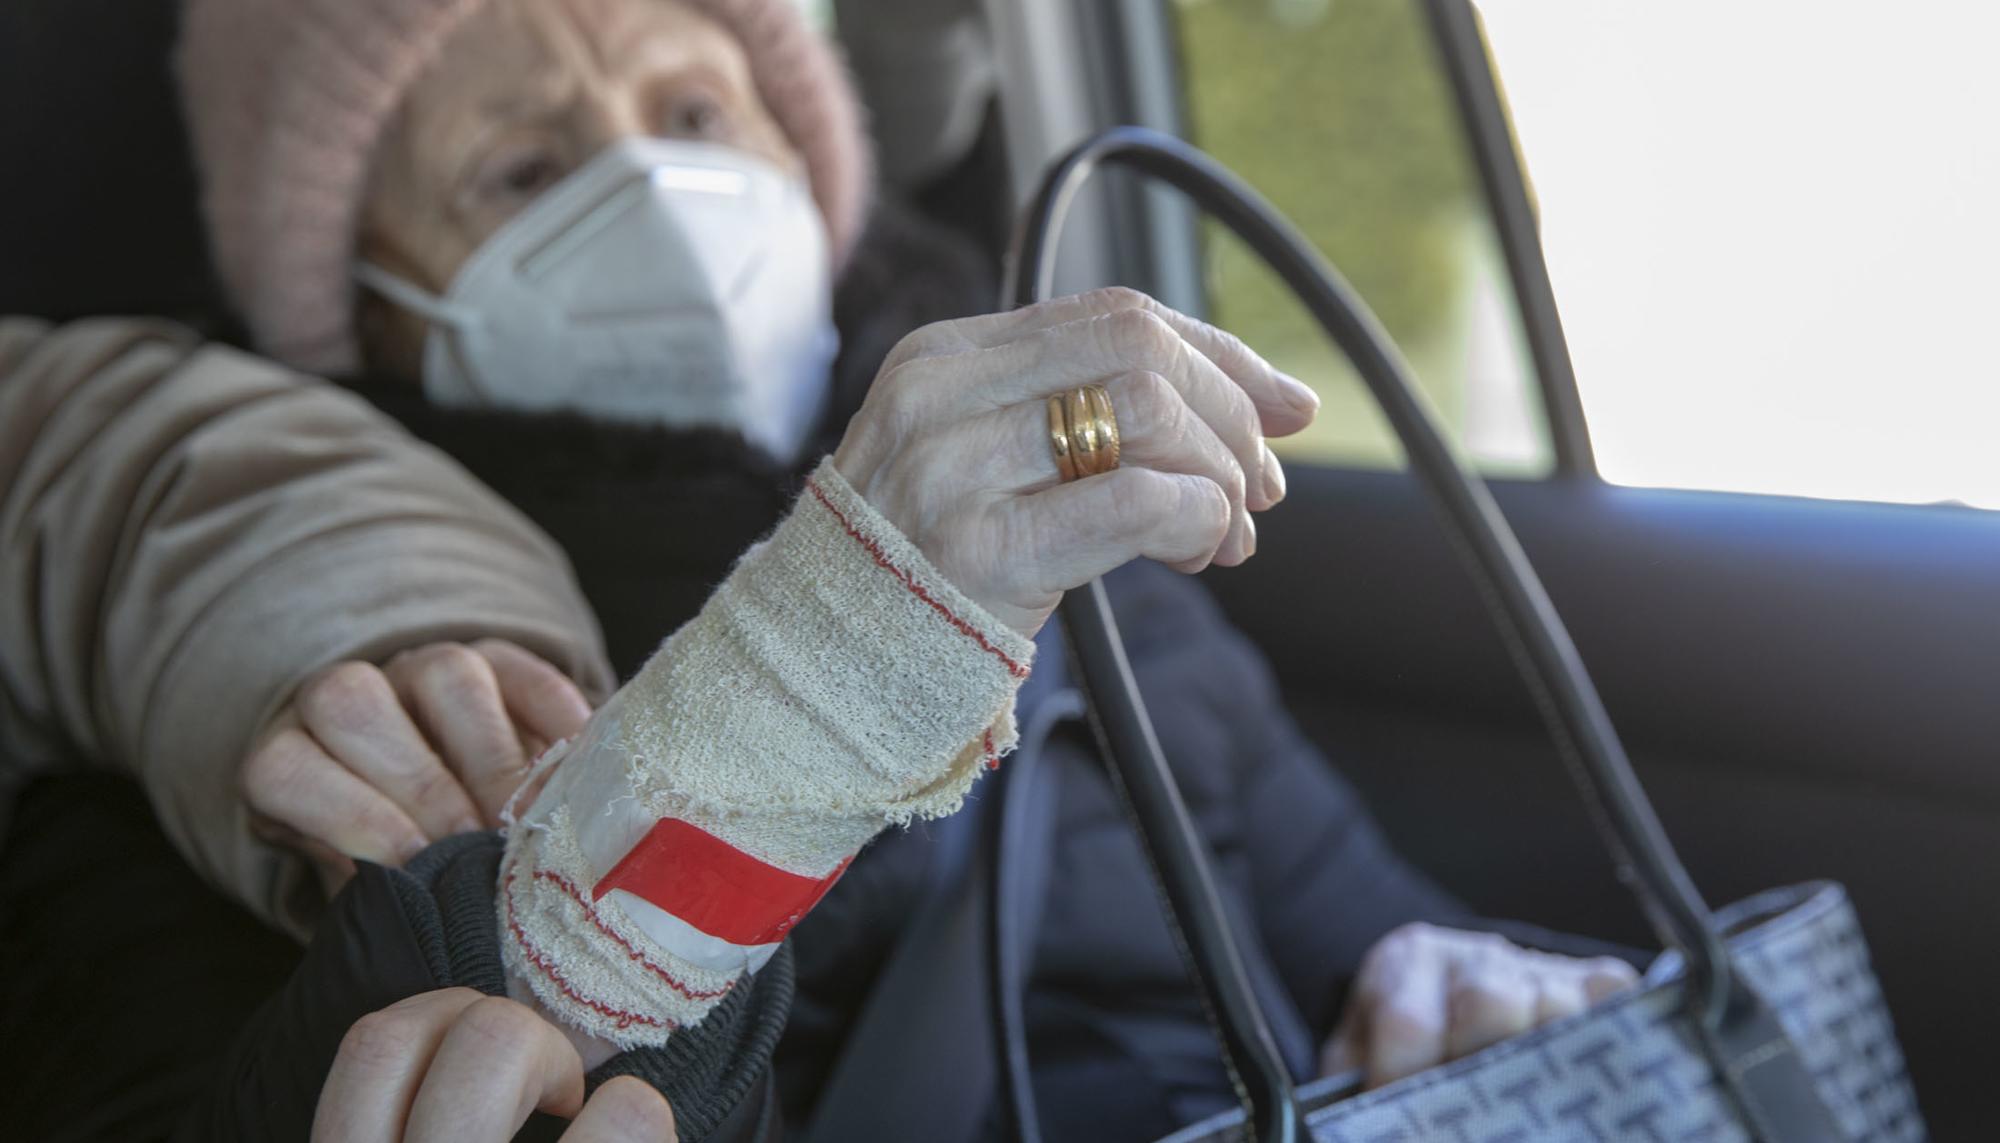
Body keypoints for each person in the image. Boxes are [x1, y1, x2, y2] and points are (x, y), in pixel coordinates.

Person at [1, 0, 1641, 1138]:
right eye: (516, 170)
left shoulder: (1082, 548)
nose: (648, 187)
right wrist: (823, 669)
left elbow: (1361, 920)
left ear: (807, 150)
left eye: (697, 111)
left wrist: (1449, 980)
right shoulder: (329, 699)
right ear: (363, 301)